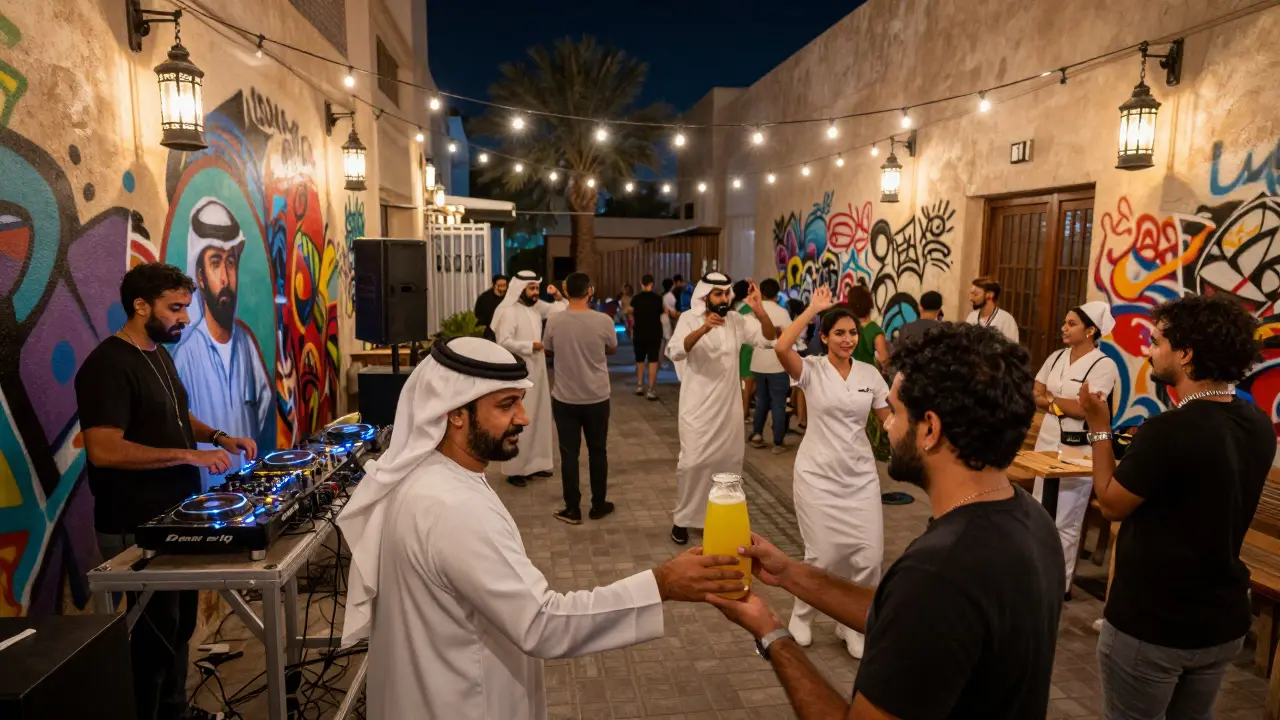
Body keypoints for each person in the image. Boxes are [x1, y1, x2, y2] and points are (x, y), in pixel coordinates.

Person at [336, 337, 746, 720]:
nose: (525, 417)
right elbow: (542, 622)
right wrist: (661, 584)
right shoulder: (452, 507)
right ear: (455, 414)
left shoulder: (432, 476)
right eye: (507, 405)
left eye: (522, 401)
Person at [707, 322, 1063, 719]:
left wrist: (771, 631)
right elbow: (907, 617)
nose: (887, 425)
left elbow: (921, 605)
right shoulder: (1033, 520)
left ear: (930, 429)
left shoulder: (938, 571)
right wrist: (790, 573)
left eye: (894, 412)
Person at [76, 262, 258, 720]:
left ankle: (174, 712)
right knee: (153, 644)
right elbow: (103, 449)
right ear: (141, 306)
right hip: (133, 527)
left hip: (172, 520)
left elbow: (176, 417)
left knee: (177, 631)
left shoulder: (157, 353)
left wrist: (217, 437)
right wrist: (187, 456)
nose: (184, 317)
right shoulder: (107, 366)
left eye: (185, 307)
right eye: (175, 308)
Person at [1079, 295, 1271, 720]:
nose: (1148, 350)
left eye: (1156, 341)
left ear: (1186, 354)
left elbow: (1110, 503)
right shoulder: (1256, 422)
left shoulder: (1169, 430)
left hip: (1156, 622)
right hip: (1221, 618)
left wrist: (1099, 429)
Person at [770, 286, 889, 658]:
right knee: (822, 555)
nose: (848, 339)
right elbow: (780, 348)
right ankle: (803, 615)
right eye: (839, 332)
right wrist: (812, 309)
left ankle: (853, 622)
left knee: (869, 557)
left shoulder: (870, 374)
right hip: (817, 476)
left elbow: (887, 418)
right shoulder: (812, 370)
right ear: (824, 337)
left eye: (852, 333)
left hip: (860, 478)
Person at [667, 273, 777, 545]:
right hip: (697, 407)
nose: (724, 299)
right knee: (692, 463)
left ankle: (718, 516)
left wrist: (760, 312)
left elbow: (768, 339)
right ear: (705, 297)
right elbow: (676, 351)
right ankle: (683, 519)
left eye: (726, 293)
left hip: (728, 409)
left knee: (726, 465)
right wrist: (704, 328)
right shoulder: (688, 319)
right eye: (718, 294)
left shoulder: (736, 321)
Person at [171, 198, 272, 491]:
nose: (226, 278)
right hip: (207, 502)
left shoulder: (247, 345)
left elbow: (263, 415)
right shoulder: (185, 357)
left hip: (251, 493)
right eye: (216, 263)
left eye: (231, 262)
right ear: (200, 276)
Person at [1032, 302, 1119, 596]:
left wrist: (1051, 402)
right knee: (1039, 513)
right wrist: (1058, 404)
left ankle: (1059, 585)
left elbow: (1086, 409)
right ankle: (1036, 577)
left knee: (1066, 521)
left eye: (1071, 324)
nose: (1063, 328)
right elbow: (1036, 391)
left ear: (1091, 330)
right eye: (1065, 322)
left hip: (1078, 449)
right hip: (1047, 442)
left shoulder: (1103, 364)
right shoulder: (1057, 356)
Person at [542, 272, 618, 524]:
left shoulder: (554, 320)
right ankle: (598, 505)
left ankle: (572, 508)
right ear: (590, 291)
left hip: (565, 398)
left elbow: (548, 349)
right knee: (598, 452)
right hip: (597, 397)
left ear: (566, 290)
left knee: (568, 454)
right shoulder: (603, 320)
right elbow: (612, 348)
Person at [491, 270, 566, 486]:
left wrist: (558, 295)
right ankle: (516, 470)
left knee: (539, 417)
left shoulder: (535, 307)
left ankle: (536, 465)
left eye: (537, 288)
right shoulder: (509, 311)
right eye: (531, 288)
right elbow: (503, 341)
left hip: (539, 371)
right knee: (519, 420)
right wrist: (529, 346)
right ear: (520, 289)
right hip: (518, 372)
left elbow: (561, 310)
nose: (536, 292)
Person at [747, 279, 794, 454]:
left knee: (761, 401)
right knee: (778, 404)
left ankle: (757, 434)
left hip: (758, 363)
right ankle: (778, 442)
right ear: (777, 292)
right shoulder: (782, 312)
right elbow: (790, 336)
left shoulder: (755, 311)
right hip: (777, 365)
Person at [629, 274, 664, 399]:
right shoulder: (658, 298)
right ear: (652, 284)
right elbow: (661, 312)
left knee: (640, 359)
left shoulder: (636, 298)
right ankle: (651, 389)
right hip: (654, 332)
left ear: (641, 284)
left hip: (639, 332)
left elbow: (631, 313)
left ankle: (639, 385)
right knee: (653, 360)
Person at [965, 276, 1019, 343]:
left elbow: (1012, 350)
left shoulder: (1006, 320)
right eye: (971, 294)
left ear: (990, 295)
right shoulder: (971, 316)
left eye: (976, 294)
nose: (971, 298)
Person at [847, 284, 889, 370]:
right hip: (869, 379)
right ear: (869, 305)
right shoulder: (875, 331)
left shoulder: (845, 328)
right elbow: (884, 360)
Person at [733, 279, 756, 423]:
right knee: (747, 384)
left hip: (739, 348)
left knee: (743, 384)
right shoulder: (748, 310)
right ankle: (743, 413)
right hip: (748, 349)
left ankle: (742, 412)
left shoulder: (735, 307)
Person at [474, 274, 508, 342]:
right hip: (489, 334)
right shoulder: (484, 298)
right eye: (500, 286)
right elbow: (478, 316)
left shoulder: (509, 297)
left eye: (504, 285)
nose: (502, 288)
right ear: (494, 285)